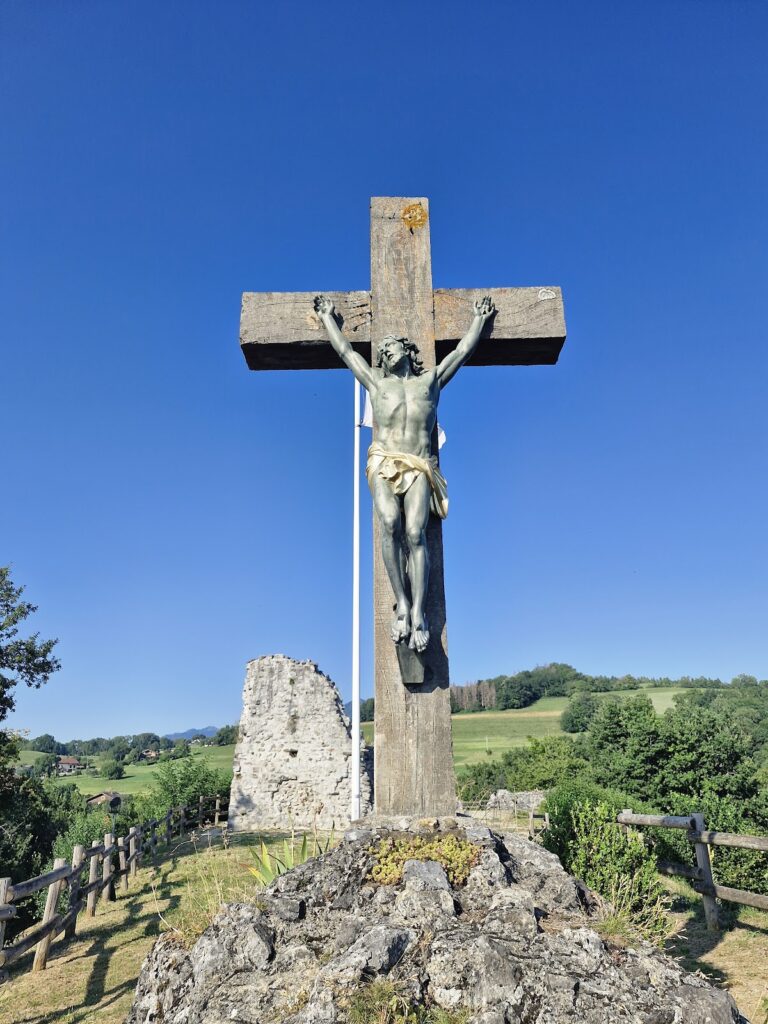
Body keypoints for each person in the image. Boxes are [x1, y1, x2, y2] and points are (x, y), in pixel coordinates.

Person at [314, 293, 495, 653]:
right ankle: (401, 604)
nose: (384, 350)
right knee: (389, 523)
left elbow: (459, 353)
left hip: (418, 463)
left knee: (415, 534)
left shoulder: (429, 382)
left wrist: (479, 321)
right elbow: (348, 354)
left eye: (390, 345)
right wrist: (328, 320)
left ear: (406, 349)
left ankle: (419, 613)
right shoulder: (377, 384)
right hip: (384, 459)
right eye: (381, 350)